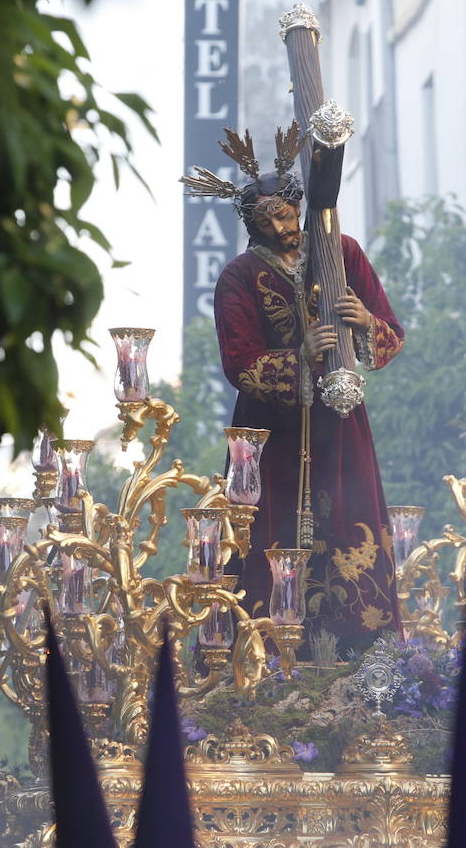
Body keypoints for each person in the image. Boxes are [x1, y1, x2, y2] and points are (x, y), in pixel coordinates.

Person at [191, 131, 405, 654]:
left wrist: (363, 321)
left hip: (340, 421)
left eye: (287, 215)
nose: (282, 228)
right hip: (270, 437)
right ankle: (259, 649)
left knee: (350, 526)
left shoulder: (342, 253)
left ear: (299, 206)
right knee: (267, 535)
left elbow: (391, 336)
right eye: (267, 222)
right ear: (252, 226)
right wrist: (300, 356)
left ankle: (362, 653)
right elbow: (239, 363)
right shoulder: (238, 278)